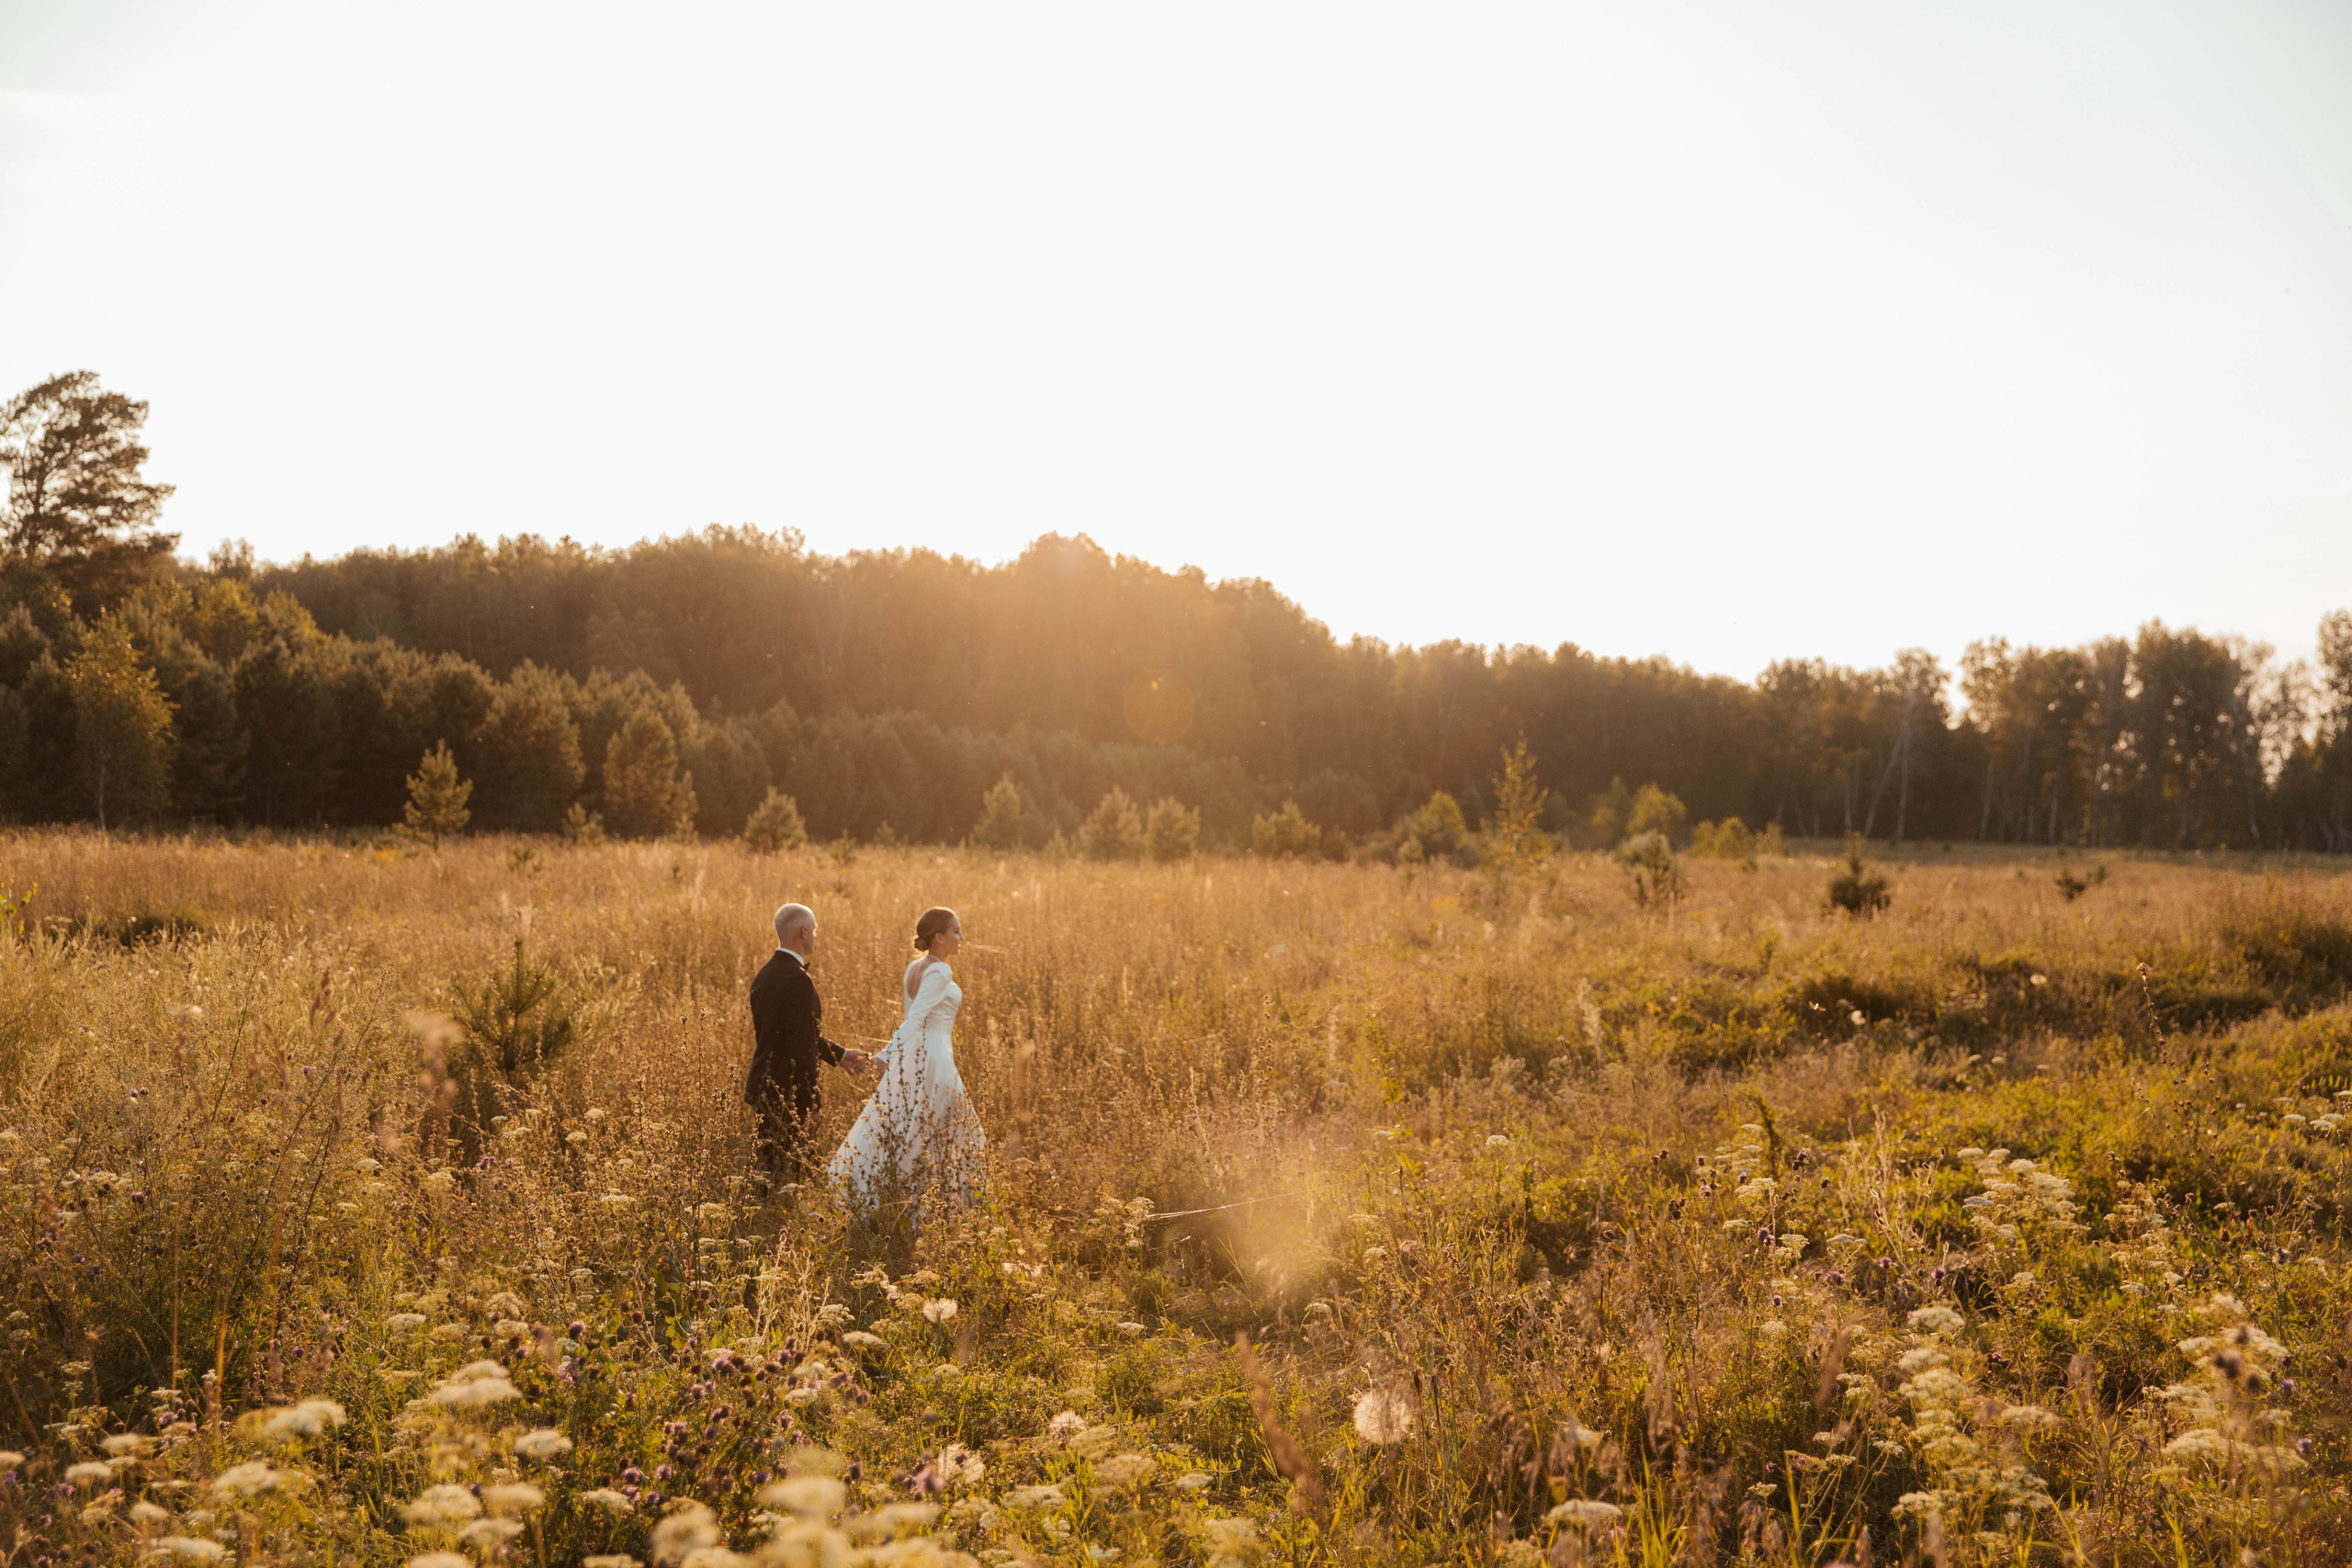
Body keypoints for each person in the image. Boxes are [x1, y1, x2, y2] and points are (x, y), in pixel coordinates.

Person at [827, 906, 985, 1215]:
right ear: (938, 937)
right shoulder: (940, 970)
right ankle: (943, 1207)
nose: (961, 937)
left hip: (915, 1057)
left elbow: (911, 1021)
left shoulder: (914, 968)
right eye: (956, 931)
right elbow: (914, 1019)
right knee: (955, 1132)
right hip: (935, 1059)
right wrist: (885, 1055)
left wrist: (894, 1057)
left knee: (913, 1128)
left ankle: (912, 1200)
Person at [745, 903, 876, 1179]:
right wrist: (811, 1106)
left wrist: (838, 1054)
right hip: (786, 1094)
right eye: (814, 929)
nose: (816, 935)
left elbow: (792, 1035)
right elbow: (800, 1050)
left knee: (770, 1173)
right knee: (794, 1176)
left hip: (763, 1087)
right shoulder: (798, 981)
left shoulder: (765, 974)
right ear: (804, 932)